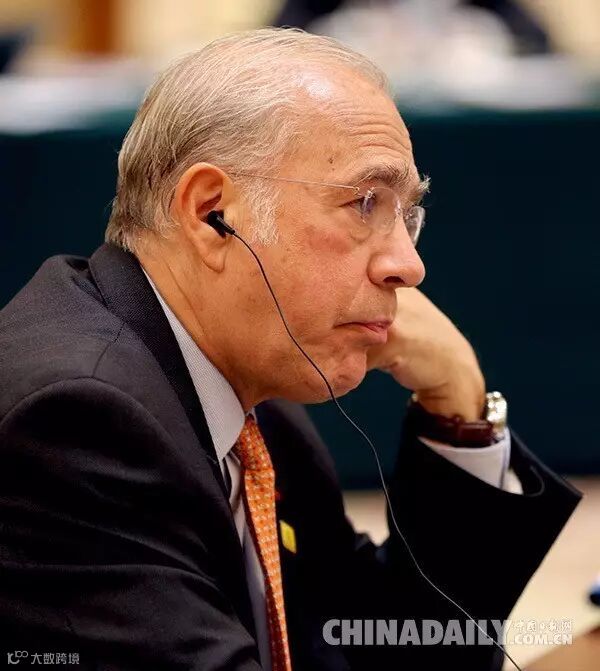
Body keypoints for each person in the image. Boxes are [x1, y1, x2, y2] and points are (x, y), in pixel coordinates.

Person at [0, 28, 579, 671]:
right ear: (212, 213)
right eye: (365, 203)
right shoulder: (77, 422)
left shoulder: (253, 399)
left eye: (406, 214)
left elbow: (390, 649)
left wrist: (458, 401)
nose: (409, 266)